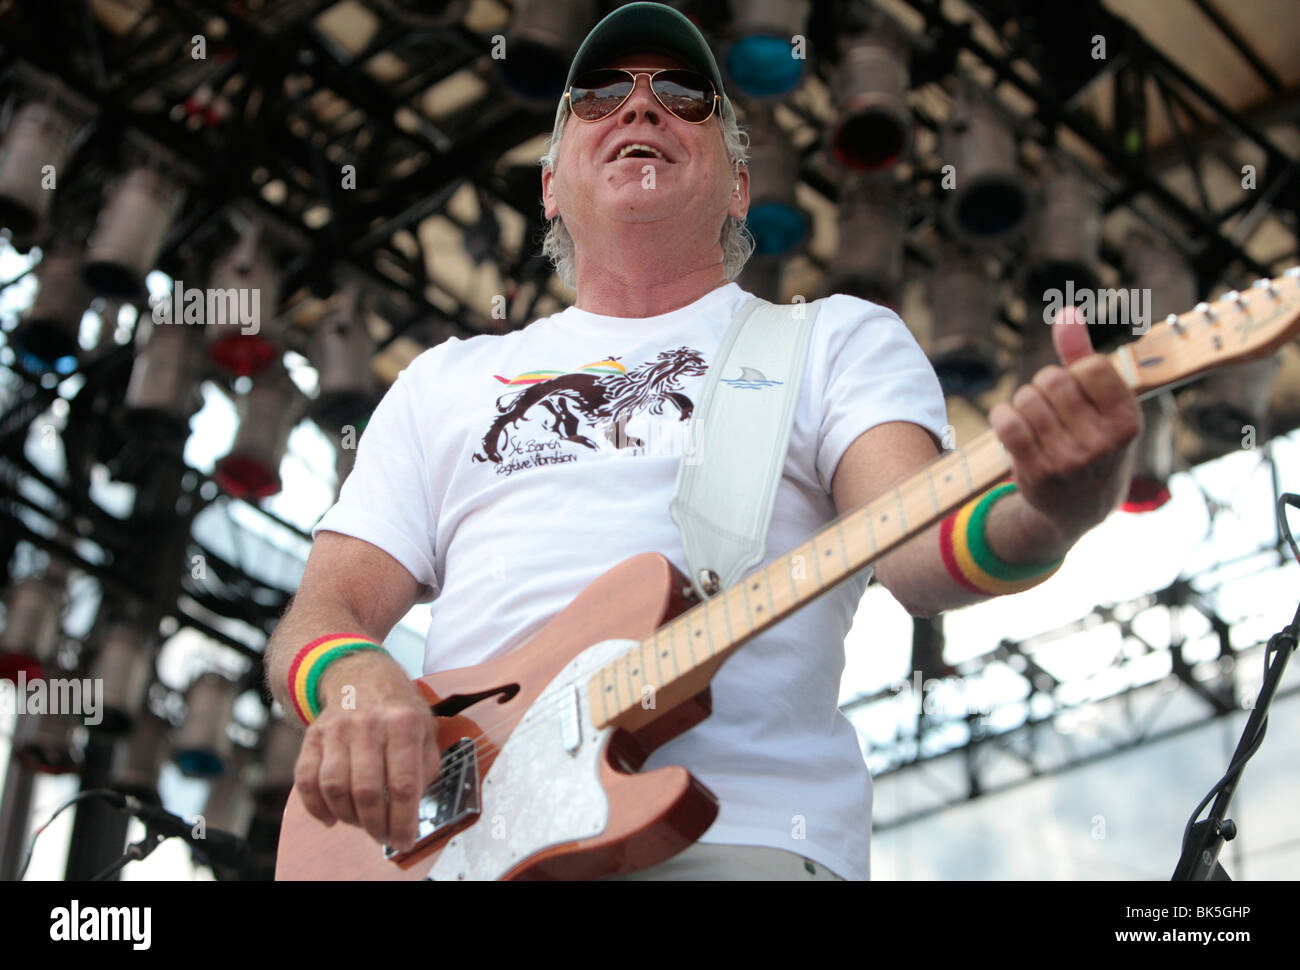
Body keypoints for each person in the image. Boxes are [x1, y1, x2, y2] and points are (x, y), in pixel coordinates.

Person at [263, 3, 1140, 880]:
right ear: (550, 185)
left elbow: (920, 553)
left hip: (741, 836)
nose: (640, 108)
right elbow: (322, 610)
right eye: (600, 96)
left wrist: (1052, 507)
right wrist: (354, 682)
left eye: (685, 96)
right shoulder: (444, 380)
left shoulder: (834, 340)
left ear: (739, 186)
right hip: (449, 851)